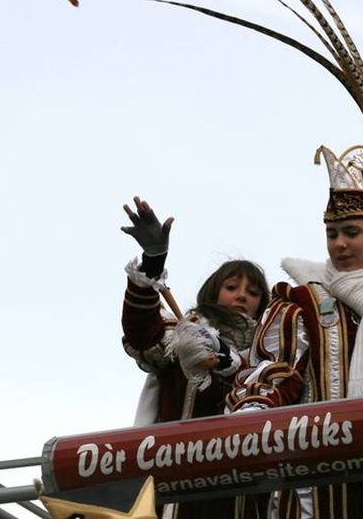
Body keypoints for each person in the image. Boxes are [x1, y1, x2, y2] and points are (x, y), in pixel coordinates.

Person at [228, 145, 363, 519]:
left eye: (351, 232)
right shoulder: (304, 299)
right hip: (317, 480)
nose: (338, 244)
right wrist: (256, 404)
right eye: (332, 233)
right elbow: (277, 368)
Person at [119, 196, 268, 519]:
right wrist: (153, 259)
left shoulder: (265, 352)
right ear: (214, 292)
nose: (242, 295)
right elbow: (141, 333)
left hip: (239, 489)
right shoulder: (182, 334)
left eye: (253, 292)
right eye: (232, 287)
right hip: (174, 483)